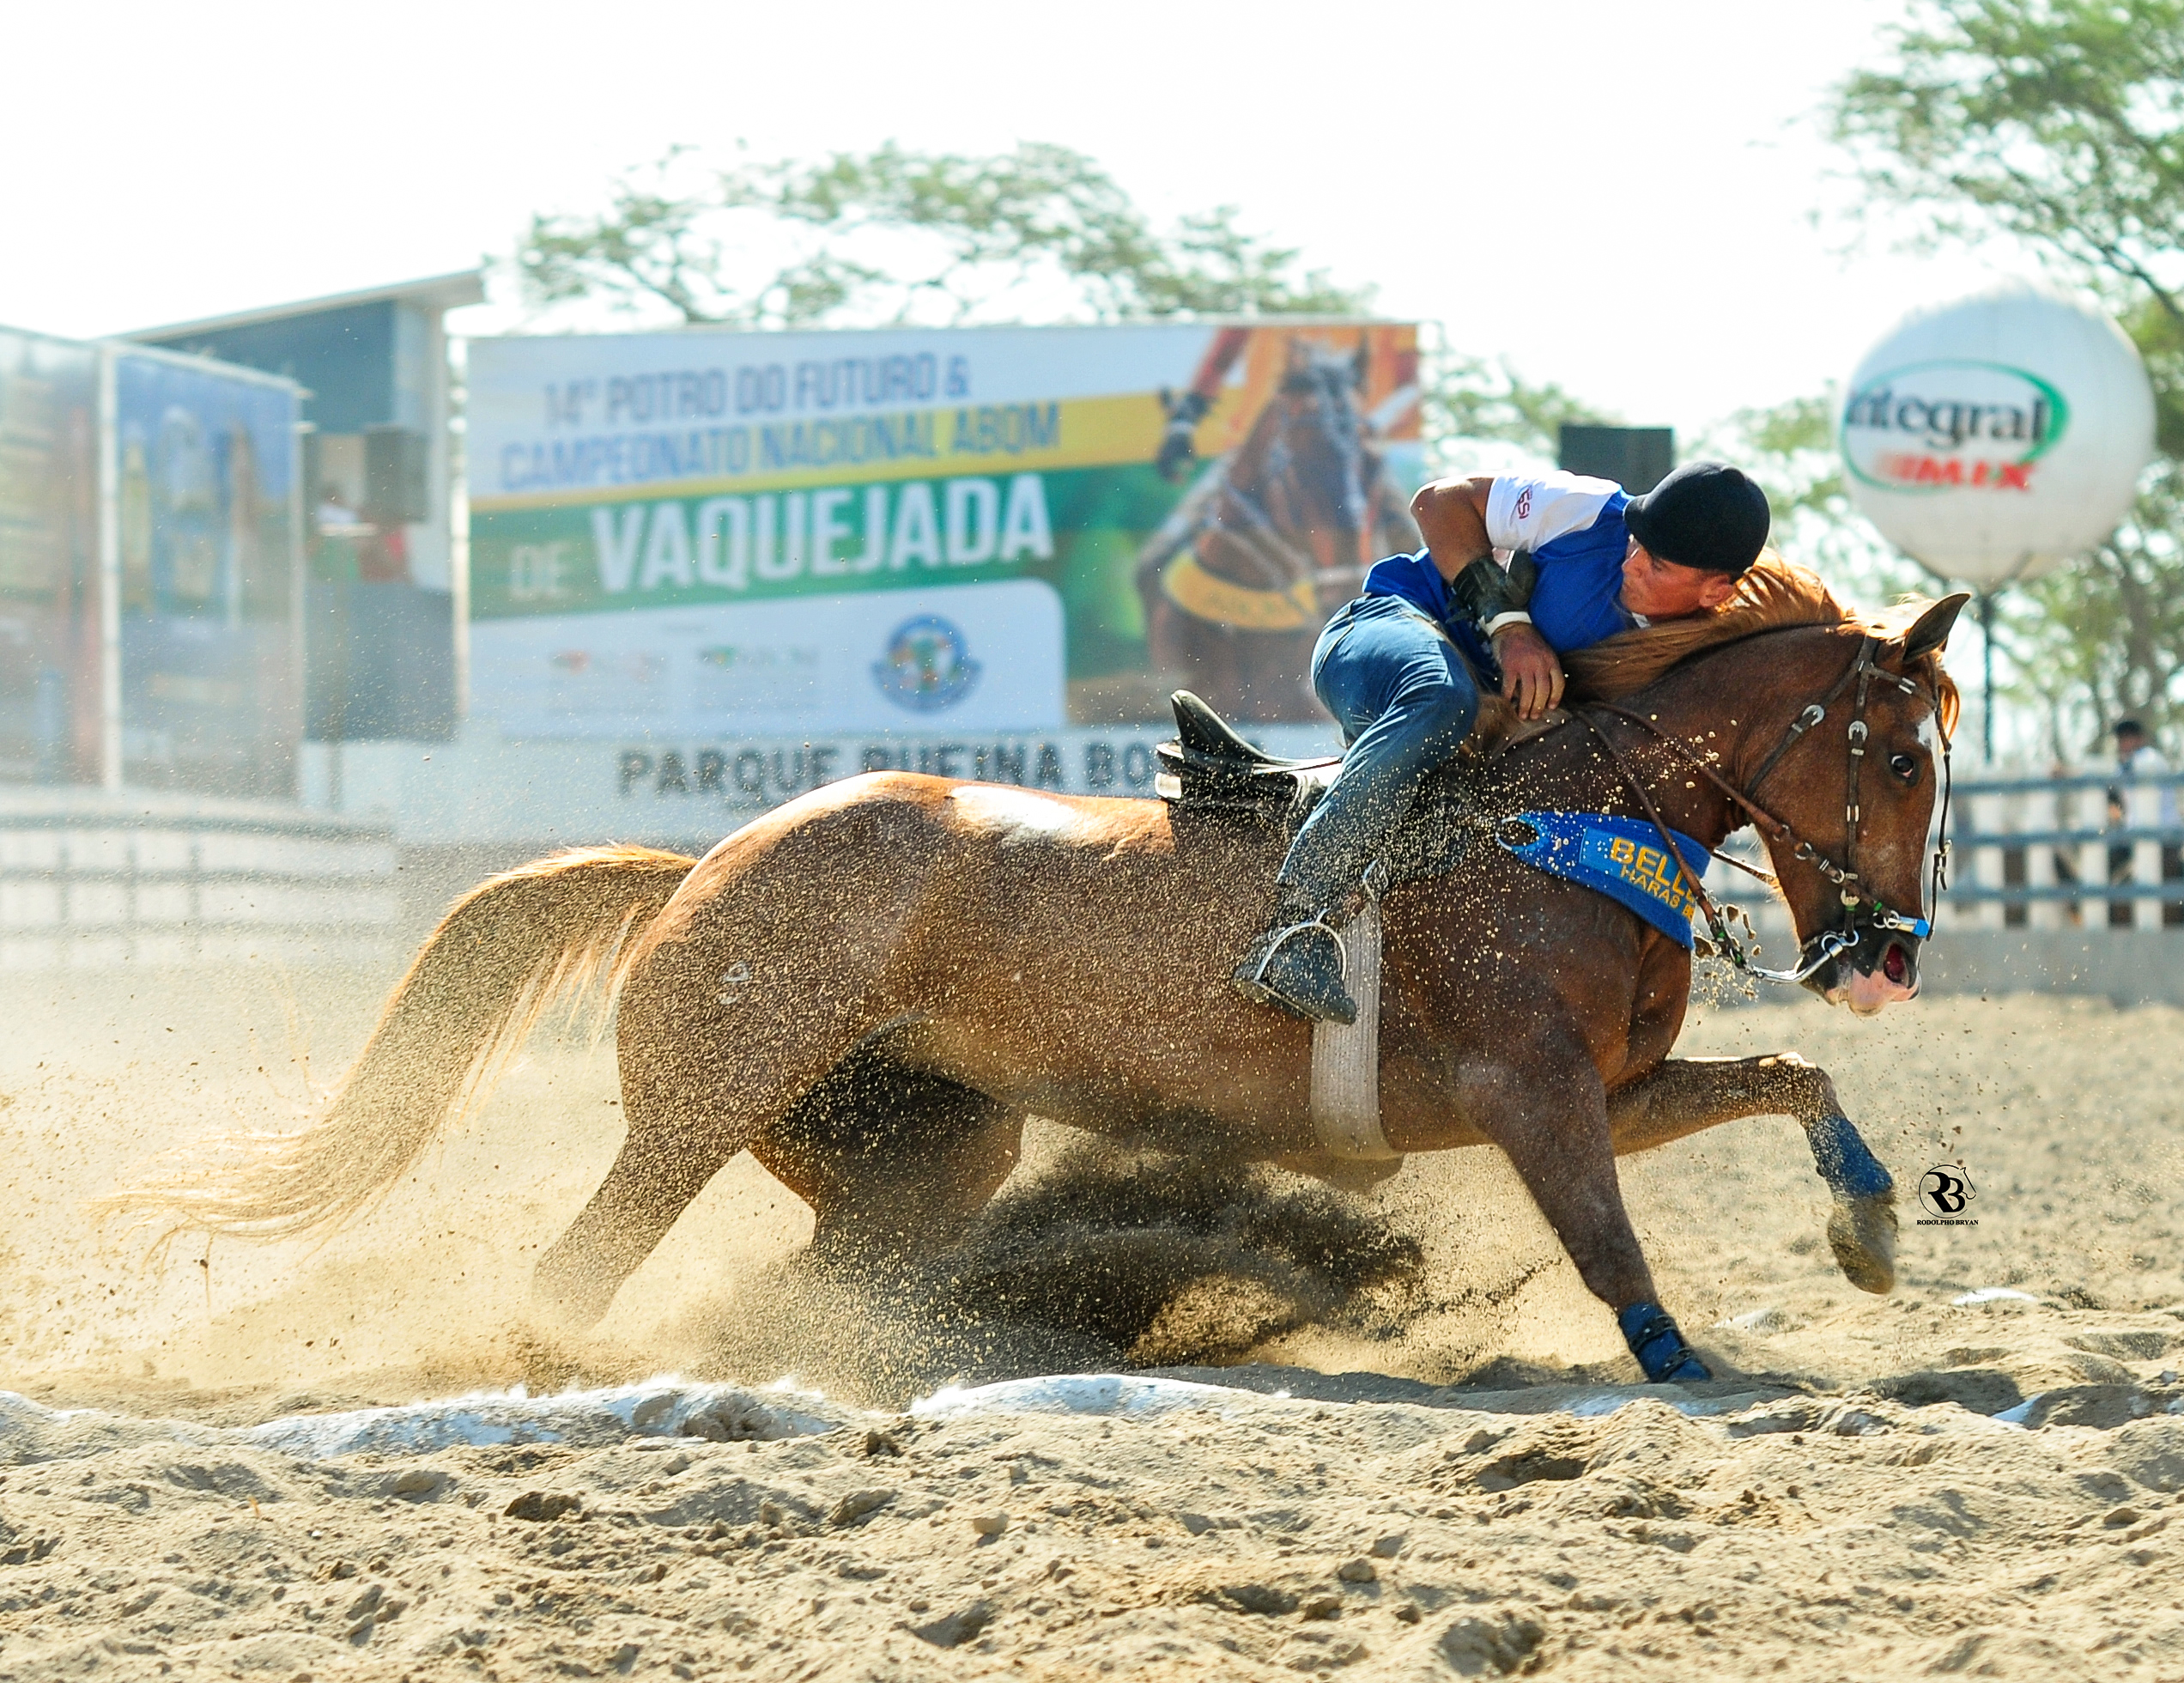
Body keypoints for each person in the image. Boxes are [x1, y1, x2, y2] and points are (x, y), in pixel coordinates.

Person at [1233, 460, 1773, 1024]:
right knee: (1444, 701)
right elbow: (1437, 504)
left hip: (1477, 738)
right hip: (1382, 629)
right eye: (1637, 543)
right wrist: (1510, 627)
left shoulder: (1699, 657)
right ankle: (1292, 928)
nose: (1630, 563)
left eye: (1657, 564)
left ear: (1717, 590)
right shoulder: (1589, 510)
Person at [2107, 719, 2181, 927]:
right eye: (2122, 738)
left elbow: (2118, 778)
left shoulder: (2149, 759)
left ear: (2141, 739)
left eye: (2129, 737)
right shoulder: (2125, 765)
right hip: (2136, 842)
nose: (2124, 742)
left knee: (2122, 887)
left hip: (2164, 841)